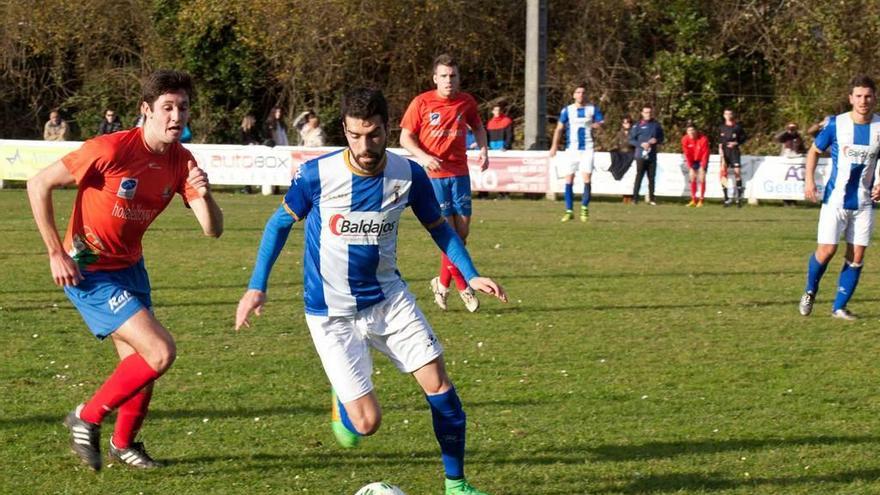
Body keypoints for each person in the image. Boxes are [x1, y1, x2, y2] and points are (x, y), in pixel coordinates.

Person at [235, 88, 507, 495]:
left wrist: (469, 273)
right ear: (344, 130)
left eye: (374, 135)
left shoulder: (408, 174)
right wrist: (257, 286)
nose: (365, 146)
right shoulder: (317, 176)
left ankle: (456, 485)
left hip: (388, 299)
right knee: (365, 425)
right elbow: (277, 225)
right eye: (355, 136)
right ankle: (341, 394)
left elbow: (439, 228)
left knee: (440, 387)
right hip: (330, 313)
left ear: (386, 128)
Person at [26, 70, 223, 471]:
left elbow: (212, 229)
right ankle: (86, 417)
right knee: (160, 351)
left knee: (140, 366)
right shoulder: (111, 149)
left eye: (182, 108)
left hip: (131, 268)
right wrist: (54, 253)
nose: (176, 116)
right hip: (87, 268)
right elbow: (38, 183)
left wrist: (204, 192)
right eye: (167, 107)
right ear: (145, 110)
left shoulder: (182, 161)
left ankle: (122, 443)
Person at [399, 54, 489, 313]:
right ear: (435, 78)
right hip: (434, 178)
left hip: (460, 174)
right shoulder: (422, 102)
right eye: (444, 76)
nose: (449, 81)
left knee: (462, 235)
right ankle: (464, 287)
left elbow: (479, 128)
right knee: (448, 235)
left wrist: (484, 150)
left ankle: (441, 282)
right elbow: (406, 137)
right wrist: (424, 157)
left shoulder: (466, 102)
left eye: (453, 76)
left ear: (458, 78)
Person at [798, 75, 880, 321]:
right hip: (835, 200)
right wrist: (809, 181)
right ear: (850, 98)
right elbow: (814, 151)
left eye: (867, 96)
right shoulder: (836, 124)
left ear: (874, 98)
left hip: (864, 202)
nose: (863, 101)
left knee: (856, 257)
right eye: (858, 96)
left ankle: (839, 308)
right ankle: (810, 290)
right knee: (827, 250)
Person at [548, 83, 604, 222]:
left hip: (587, 149)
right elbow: (559, 129)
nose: (581, 95)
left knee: (587, 179)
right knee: (569, 180)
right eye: (578, 92)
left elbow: (602, 123)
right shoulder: (567, 110)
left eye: (583, 92)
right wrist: (554, 146)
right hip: (571, 149)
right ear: (574, 95)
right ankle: (569, 210)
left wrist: (599, 125)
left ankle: (584, 208)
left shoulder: (592, 109)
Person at [629, 105, 664, 205]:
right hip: (640, 155)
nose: (648, 114)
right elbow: (631, 140)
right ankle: (635, 199)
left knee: (652, 177)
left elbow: (662, 138)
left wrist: (656, 140)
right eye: (646, 112)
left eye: (649, 112)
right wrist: (640, 144)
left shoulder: (656, 125)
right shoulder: (637, 125)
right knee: (639, 176)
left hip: (652, 155)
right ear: (642, 113)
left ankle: (652, 199)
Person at [718, 108, 748, 207]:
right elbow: (720, 141)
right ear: (724, 115)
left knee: (737, 173)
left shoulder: (737, 127)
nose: (728, 116)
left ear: (732, 115)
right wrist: (720, 151)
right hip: (725, 153)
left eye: (730, 114)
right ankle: (726, 198)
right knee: (723, 175)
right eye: (726, 114)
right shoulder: (721, 127)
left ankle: (739, 198)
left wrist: (736, 143)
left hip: (734, 152)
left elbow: (744, 138)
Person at [680, 122, 710, 207]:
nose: (691, 132)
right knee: (692, 177)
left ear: (696, 131)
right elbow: (687, 153)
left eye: (692, 130)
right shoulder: (684, 139)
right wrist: (690, 166)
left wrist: (703, 166)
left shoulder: (703, 139)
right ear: (686, 132)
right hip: (692, 160)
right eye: (689, 130)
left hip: (701, 159)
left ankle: (701, 200)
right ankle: (693, 199)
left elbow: (705, 153)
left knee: (702, 177)